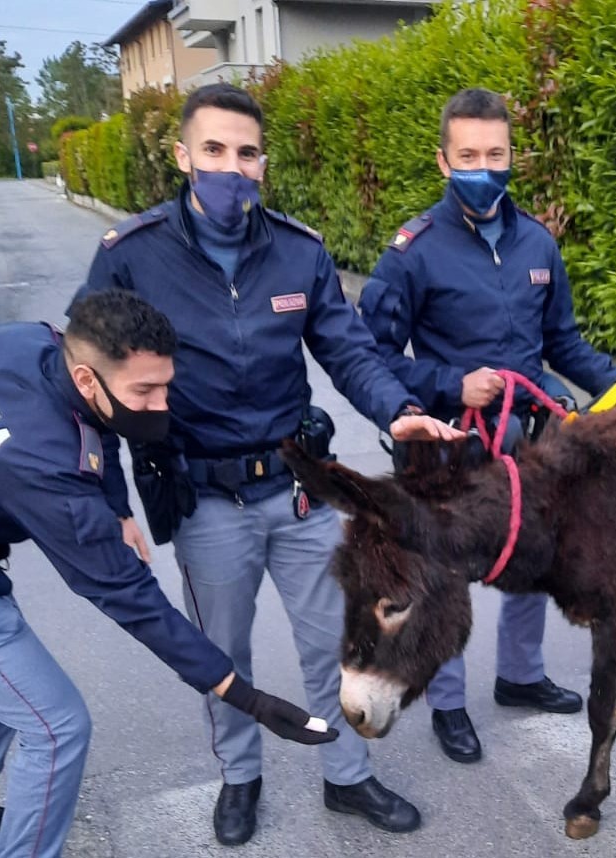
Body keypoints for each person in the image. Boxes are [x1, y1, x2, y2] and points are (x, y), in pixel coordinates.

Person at [76, 83, 460, 845]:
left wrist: (394, 408)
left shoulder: (299, 250)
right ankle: (241, 776)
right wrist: (108, 499)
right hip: (206, 498)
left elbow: (347, 349)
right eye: (213, 150)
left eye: (246, 153)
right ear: (182, 156)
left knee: (340, 644)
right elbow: (87, 383)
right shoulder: (132, 256)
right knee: (222, 654)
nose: (230, 167)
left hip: (298, 492)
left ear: (263, 164)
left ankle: (347, 778)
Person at [0, 290, 336, 858]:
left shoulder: (27, 342)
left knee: (3, 681)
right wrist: (239, 692)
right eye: (144, 391)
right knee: (56, 729)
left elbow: (95, 429)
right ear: (87, 377)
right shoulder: (41, 465)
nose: (159, 403)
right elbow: (127, 594)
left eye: (166, 384)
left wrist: (119, 507)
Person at [358, 87, 616, 765]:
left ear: (513, 155)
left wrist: (615, 387)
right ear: (443, 160)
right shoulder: (413, 251)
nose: (483, 167)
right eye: (468, 155)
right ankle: (449, 703)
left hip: (529, 434)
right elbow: (369, 351)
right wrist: (449, 384)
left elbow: (564, 341)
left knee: (534, 553)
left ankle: (519, 676)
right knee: (443, 570)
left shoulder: (537, 241)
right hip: (449, 441)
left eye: (495, 153)